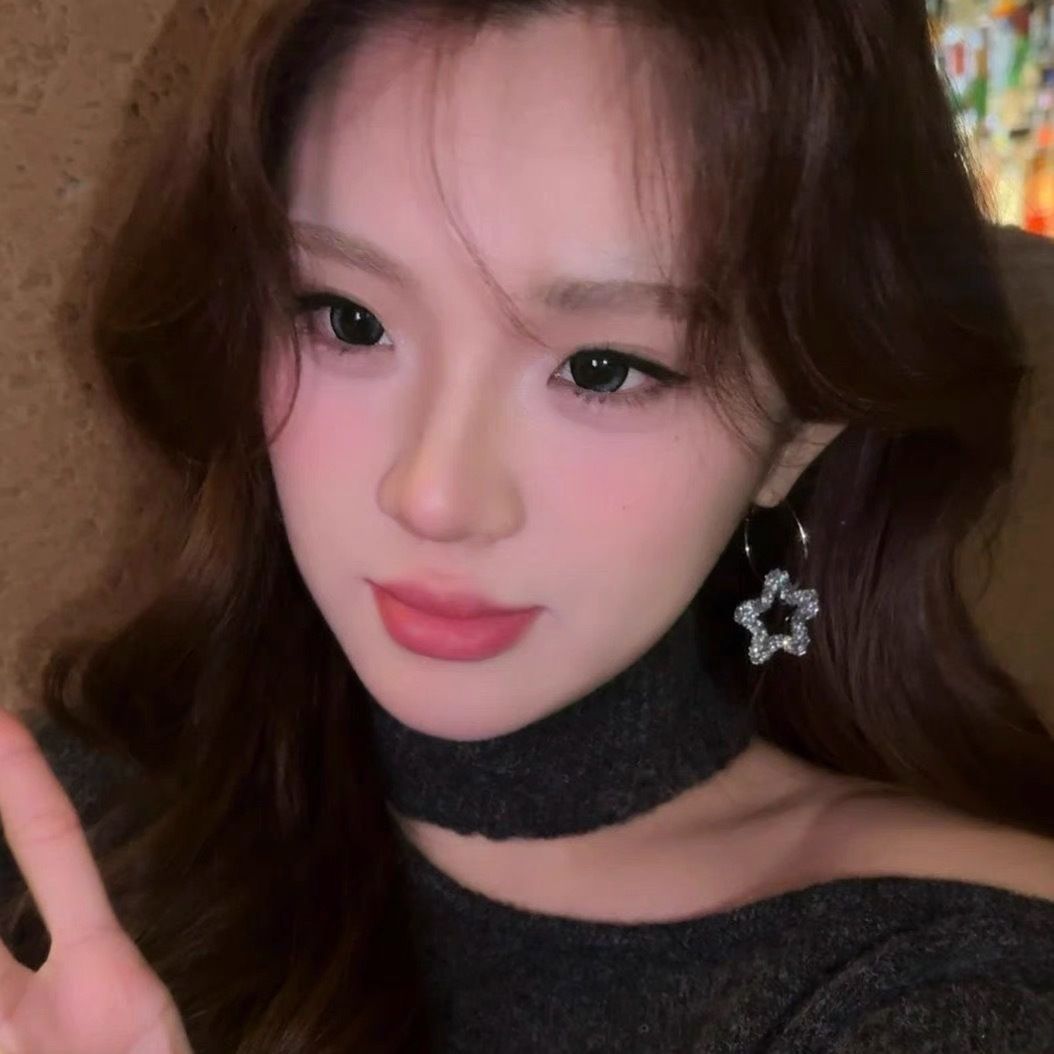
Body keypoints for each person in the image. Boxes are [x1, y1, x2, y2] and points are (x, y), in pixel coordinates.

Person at [1, 0, 1053, 1051]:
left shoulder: (944, 986)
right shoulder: (93, 819)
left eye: (603, 369)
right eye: (348, 320)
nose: (435, 495)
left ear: (796, 434)